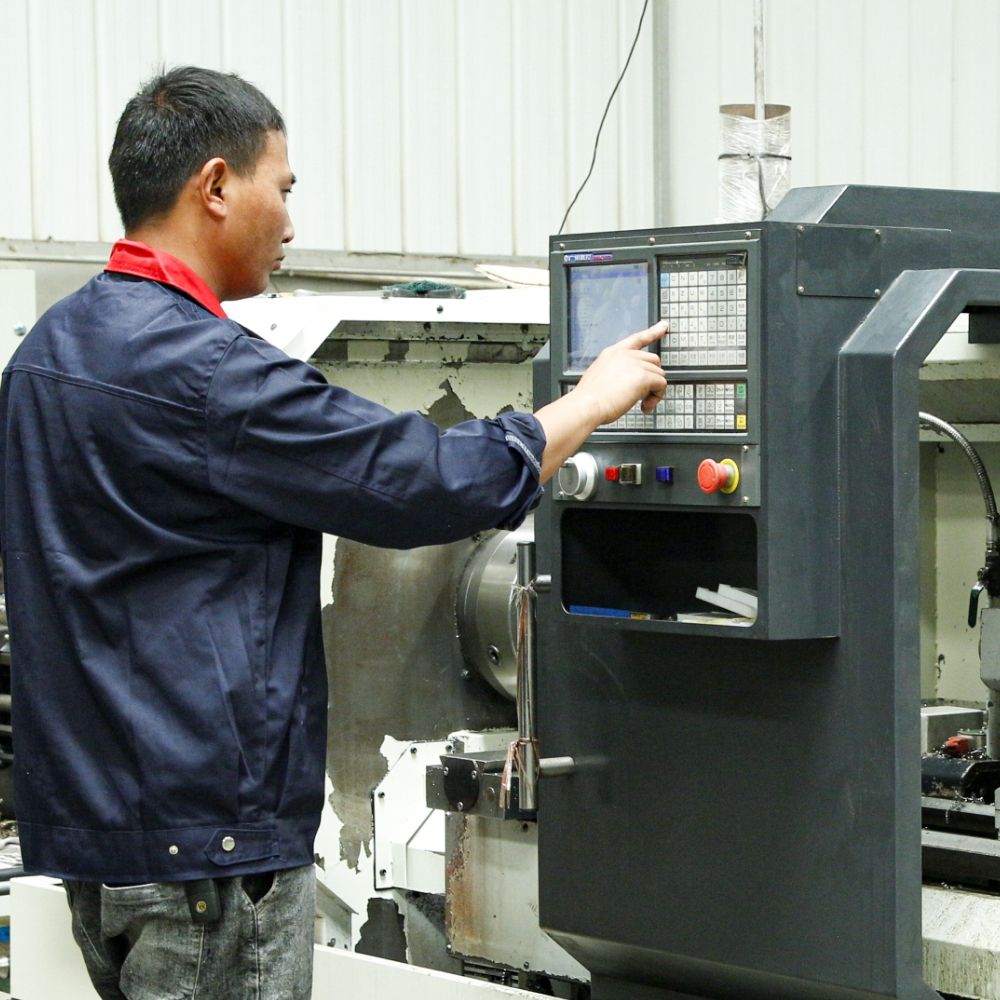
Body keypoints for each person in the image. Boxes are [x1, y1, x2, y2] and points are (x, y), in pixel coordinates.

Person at [0, 66, 666, 1000]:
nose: (291, 220)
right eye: (285, 187)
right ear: (218, 186)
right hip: (209, 858)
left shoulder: (45, 357)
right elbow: (428, 482)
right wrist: (588, 403)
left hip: (96, 843)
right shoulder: (209, 372)